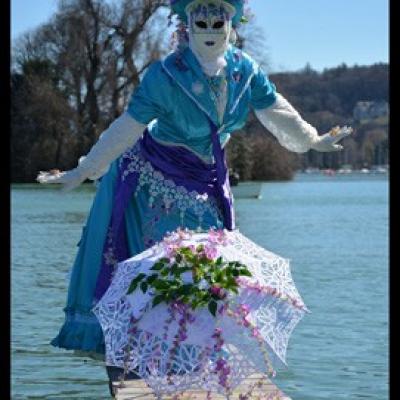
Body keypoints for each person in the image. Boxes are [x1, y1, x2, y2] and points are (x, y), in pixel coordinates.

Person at [37, 0, 352, 396]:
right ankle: (141, 359)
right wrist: (84, 169)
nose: (208, 27)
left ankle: (197, 356)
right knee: (154, 269)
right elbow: (126, 128)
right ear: (186, 25)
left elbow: (277, 113)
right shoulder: (166, 75)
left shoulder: (244, 71)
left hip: (205, 183)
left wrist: (311, 140)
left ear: (231, 24)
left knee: (208, 271)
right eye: (199, 20)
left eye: (216, 20)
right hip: (152, 181)